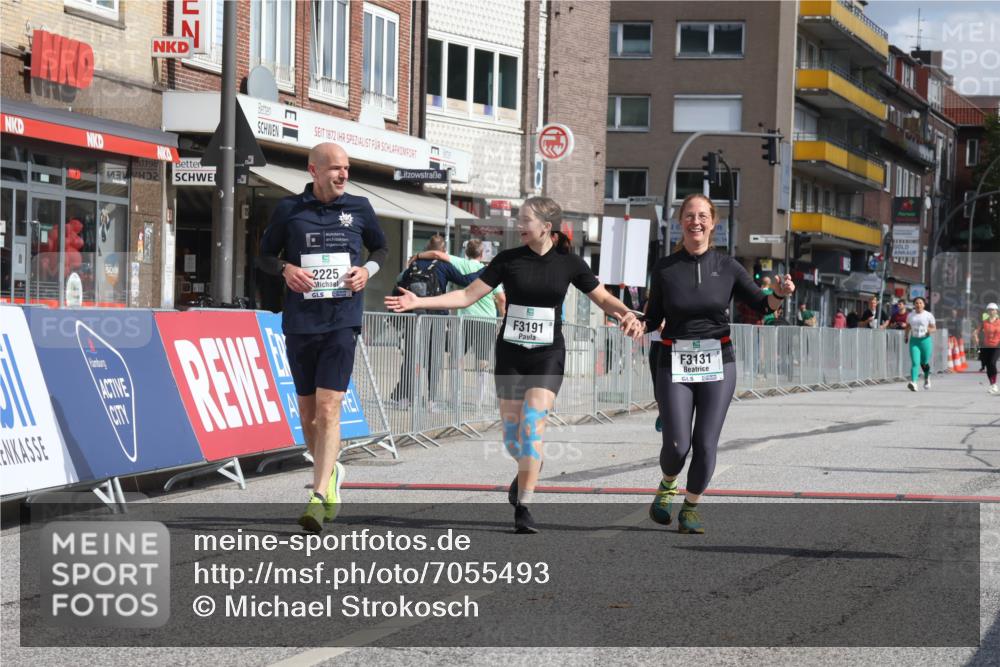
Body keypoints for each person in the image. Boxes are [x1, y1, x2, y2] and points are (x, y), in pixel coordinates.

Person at [385, 196, 644, 534]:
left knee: (533, 424)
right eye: (518, 220)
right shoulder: (508, 260)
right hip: (511, 355)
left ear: (546, 227)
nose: (518, 226)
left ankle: (524, 505)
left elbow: (603, 298)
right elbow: (466, 296)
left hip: (547, 354)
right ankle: (528, 466)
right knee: (512, 437)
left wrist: (627, 313)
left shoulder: (570, 264)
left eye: (525, 221)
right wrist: (421, 300)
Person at [643, 193, 795, 534]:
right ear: (680, 221)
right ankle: (668, 483)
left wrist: (781, 293)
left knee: (706, 442)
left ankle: (691, 507)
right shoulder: (665, 268)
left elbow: (763, 305)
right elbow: (652, 317)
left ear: (713, 223)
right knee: (678, 444)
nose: (695, 221)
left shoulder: (727, 267)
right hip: (674, 360)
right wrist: (636, 322)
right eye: (689, 215)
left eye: (702, 216)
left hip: (718, 361)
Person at [258, 142, 388, 533]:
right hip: (300, 322)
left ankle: (316, 496)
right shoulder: (289, 210)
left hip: (342, 320)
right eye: (335, 168)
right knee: (308, 414)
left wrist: (369, 270)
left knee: (329, 409)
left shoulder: (360, 208)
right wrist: (284, 269)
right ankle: (331, 472)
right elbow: (264, 255)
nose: (343, 174)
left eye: (346, 168)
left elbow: (380, 246)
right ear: (313, 170)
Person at [407, 238, 506, 403]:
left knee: (456, 358)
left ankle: (455, 397)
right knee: (482, 361)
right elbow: (501, 299)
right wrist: (502, 318)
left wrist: (417, 256)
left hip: (464, 320)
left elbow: (438, 254)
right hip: (487, 321)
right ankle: (479, 401)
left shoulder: (460, 264)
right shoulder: (487, 272)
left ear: (466, 252)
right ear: (482, 253)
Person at [388, 234, 482, 406]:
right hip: (436, 317)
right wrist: (486, 270)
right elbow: (465, 281)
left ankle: (405, 398)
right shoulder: (443, 266)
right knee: (435, 358)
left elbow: (398, 282)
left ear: (426, 248)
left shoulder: (414, 264)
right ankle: (431, 400)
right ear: (444, 250)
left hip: (414, 316)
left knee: (411, 356)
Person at [904, 296, 937, 392]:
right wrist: (906, 336)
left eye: (920, 303)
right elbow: (908, 327)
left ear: (924, 304)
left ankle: (926, 378)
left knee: (924, 362)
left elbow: (934, 328)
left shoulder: (928, 315)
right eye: (916, 303)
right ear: (914, 305)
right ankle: (913, 383)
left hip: (925, 341)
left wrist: (929, 330)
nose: (918, 305)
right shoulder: (910, 315)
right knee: (915, 362)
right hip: (914, 341)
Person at [972, 303, 1000, 394]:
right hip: (986, 346)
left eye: (993, 310)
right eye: (989, 310)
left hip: (997, 346)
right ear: (987, 311)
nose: (991, 311)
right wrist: (975, 336)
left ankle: (994, 385)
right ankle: (992, 384)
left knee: (992, 362)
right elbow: (976, 331)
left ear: (996, 311)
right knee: (988, 366)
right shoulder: (984, 322)